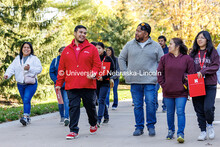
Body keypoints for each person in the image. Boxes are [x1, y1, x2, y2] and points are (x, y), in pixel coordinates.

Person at [55, 25, 101, 139]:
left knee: (90, 107)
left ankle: (93, 122)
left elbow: (97, 65)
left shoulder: (92, 48)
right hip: (72, 85)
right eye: (80, 32)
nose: (83, 35)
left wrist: (94, 73)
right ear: (75, 33)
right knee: (73, 107)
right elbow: (61, 69)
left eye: (85, 33)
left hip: (88, 85)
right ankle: (73, 130)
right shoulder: (66, 50)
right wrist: (58, 84)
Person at [119, 22, 164, 136]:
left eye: (139, 31)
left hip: (150, 81)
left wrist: (157, 75)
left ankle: (151, 126)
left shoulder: (156, 46)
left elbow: (162, 62)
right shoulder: (129, 45)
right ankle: (139, 127)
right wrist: (126, 73)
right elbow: (121, 58)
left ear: (146, 33)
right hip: (134, 80)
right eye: (136, 30)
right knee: (138, 105)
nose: (136, 33)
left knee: (150, 103)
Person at [157, 38, 195, 143]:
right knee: (170, 113)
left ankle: (180, 133)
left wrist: (185, 86)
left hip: (181, 92)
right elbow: (159, 72)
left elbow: (191, 74)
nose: (168, 46)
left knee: (180, 112)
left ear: (177, 46)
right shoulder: (164, 58)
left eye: (170, 44)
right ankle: (170, 131)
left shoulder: (187, 59)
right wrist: (163, 84)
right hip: (167, 91)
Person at [189, 31, 219, 141]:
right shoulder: (193, 53)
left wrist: (204, 70)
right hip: (196, 84)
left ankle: (210, 125)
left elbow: (215, 66)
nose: (199, 39)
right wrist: (187, 76)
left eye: (202, 38)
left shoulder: (212, 52)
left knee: (208, 108)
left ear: (207, 39)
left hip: (209, 83)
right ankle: (202, 130)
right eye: (198, 38)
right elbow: (188, 67)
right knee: (199, 109)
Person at [4, 42, 42, 126]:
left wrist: (30, 68)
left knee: (26, 99)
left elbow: (39, 69)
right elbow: (11, 68)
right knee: (26, 101)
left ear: (31, 49)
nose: (26, 49)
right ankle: (27, 117)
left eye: (28, 47)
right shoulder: (17, 58)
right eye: (24, 47)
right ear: (22, 49)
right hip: (20, 84)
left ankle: (25, 117)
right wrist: (7, 74)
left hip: (31, 83)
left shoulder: (34, 59)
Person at [49, 46, 69, 126]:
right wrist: (57, 81)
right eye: (63, 52)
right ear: (60, 53)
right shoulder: (55, 61)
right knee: (61, 102)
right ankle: (62, 116)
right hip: (58, 85)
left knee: (67, 101)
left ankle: (67, 117)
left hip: (67, 84)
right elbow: (51, 72)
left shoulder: (69, 60)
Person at [96, 43, 115, 126]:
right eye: (96, 48)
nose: (97, 50)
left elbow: (113, 71)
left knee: (101, 100)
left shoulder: (108, 59)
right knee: (100, 100)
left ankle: (98, 119)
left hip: (105, 82)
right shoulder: (94, 58)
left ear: (103, 49)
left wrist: (104, 77)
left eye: (99, 48)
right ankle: (106, 116)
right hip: (96, 82)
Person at [156, 35, 169, 112]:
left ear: (165, 42)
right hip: (157, 72)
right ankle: (155, 106)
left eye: (161, 41)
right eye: (159, 41)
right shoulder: (156, 49)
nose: (160, 42)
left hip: (166, 72)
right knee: (155, 89)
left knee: (165, 90)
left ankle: (165, 106)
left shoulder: (168, 50)